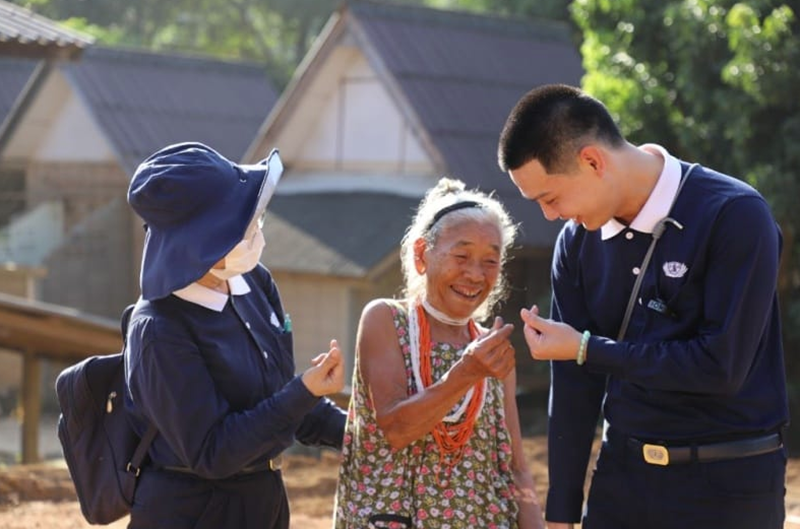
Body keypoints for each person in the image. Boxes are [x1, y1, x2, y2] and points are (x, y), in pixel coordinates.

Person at [496, 83, 789, 529]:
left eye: (549, 198)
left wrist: (587, 349)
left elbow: (719, 367)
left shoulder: (735, 215)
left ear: (592, 161)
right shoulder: (575, 245)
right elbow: (574, 386)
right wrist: (562, 512)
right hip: (622, 483)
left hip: (731, 487)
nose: (550, 217)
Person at [123, 142, 347, 529]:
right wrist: (304, 391)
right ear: (203, 238)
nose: (257, 228)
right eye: (247, 220)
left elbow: (277, 404)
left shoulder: (254, 284)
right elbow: (214, 452)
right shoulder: (159, 329)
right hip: (194, 513)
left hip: (264, 501)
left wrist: (365, 435)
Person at [333, 177, 545, 529]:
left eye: (490, 261)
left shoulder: (492, 351)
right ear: (421, 255)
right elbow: (397, 429)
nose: (475, 274)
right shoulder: (387, 320)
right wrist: (466, 373)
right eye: (461, 256)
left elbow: (516, 467)